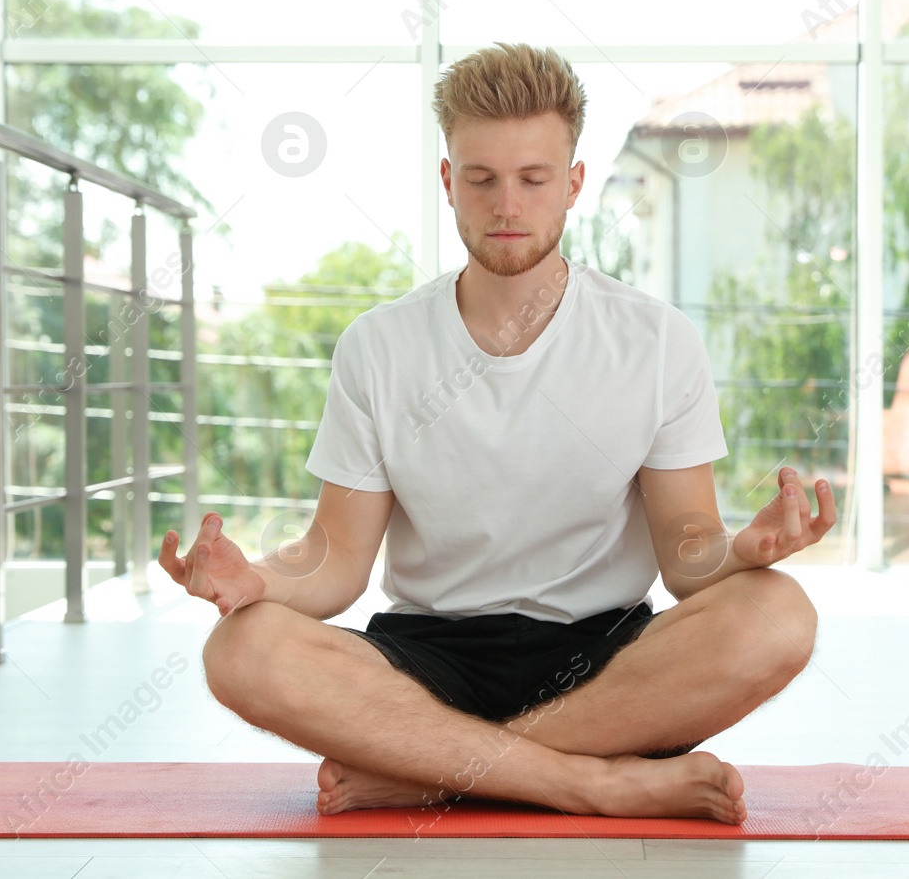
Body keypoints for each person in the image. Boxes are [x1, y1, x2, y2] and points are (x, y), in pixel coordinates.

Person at [159, 42, 836, 825]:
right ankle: (591, 782)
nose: (506, 205)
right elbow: (337, 559)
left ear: (575, 184)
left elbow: (687, 548)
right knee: (242, 650)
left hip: (605, 659)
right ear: (448, 182)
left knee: (780, 613)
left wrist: (738, 551)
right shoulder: (378, 345)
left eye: (533, 179)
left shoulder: (656, 340)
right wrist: (260, 581)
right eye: (480, 179)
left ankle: (433, 770)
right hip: (426, 657)